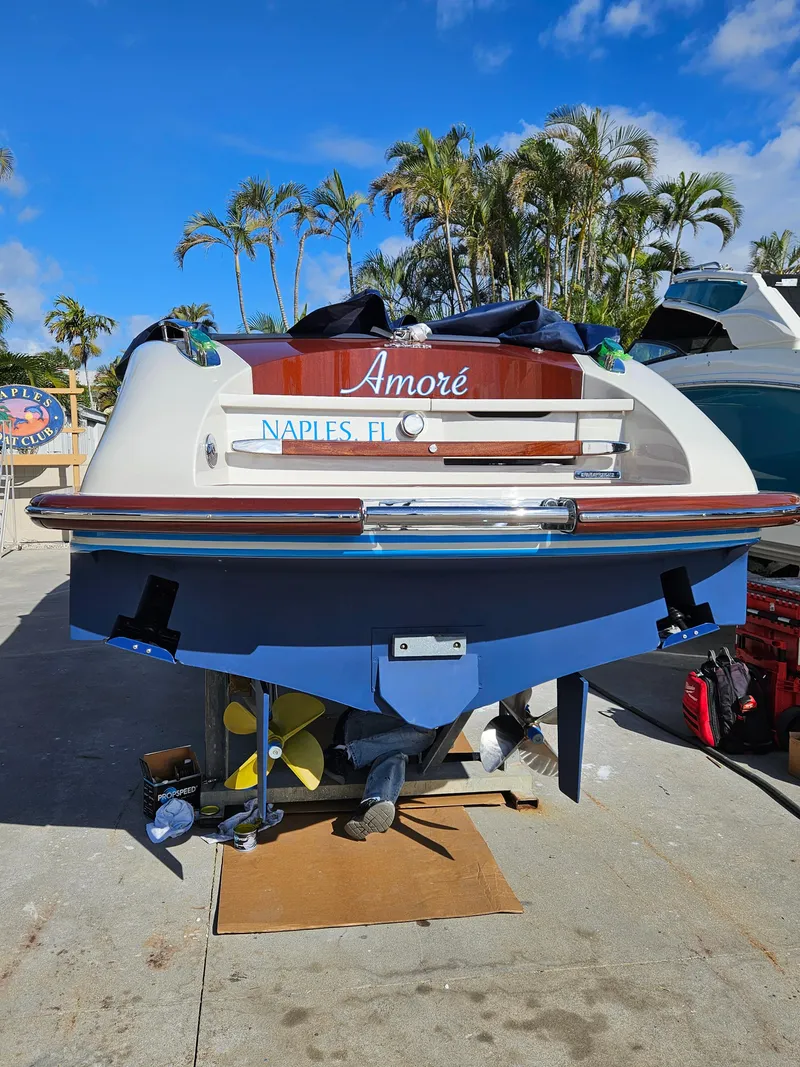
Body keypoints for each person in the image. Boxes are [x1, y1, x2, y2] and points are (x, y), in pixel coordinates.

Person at [325, 709, 436, 840]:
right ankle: (347, 753)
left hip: (389, 735)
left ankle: (372, 803)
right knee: (425, 734)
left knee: (395, 755)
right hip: (360, 721)